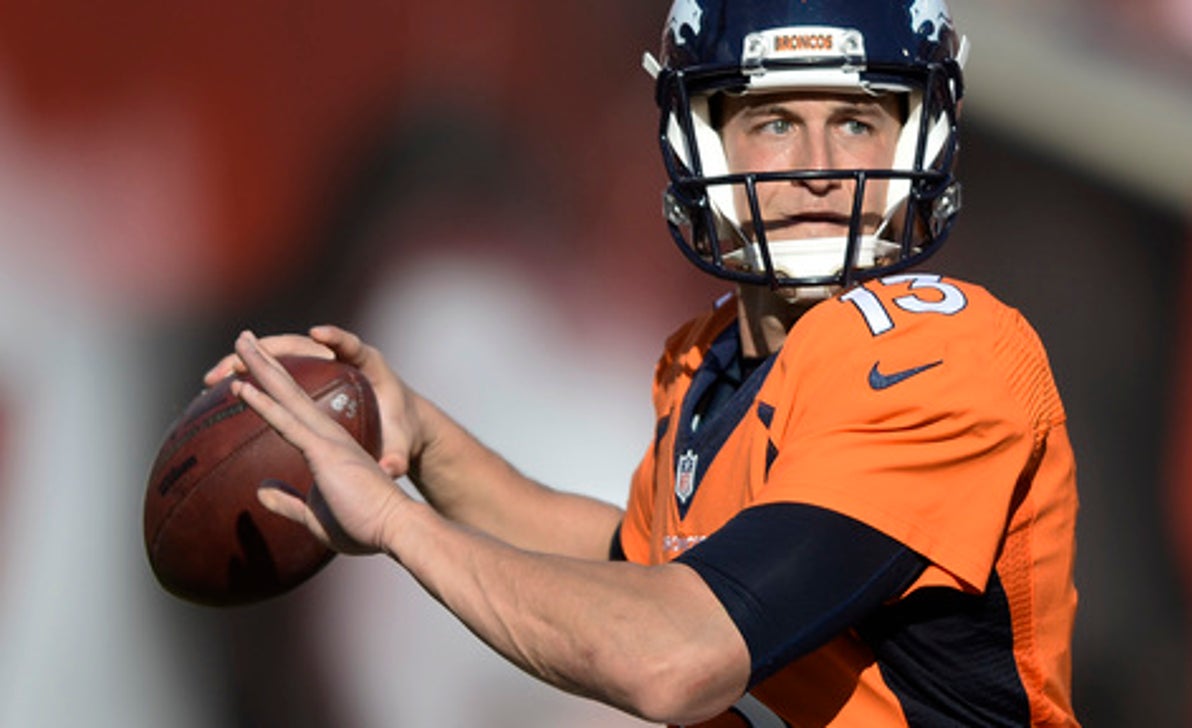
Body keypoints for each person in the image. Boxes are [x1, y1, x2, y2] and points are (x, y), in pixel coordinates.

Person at [206, 1, 1081, 725]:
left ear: (916, 143)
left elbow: (674, 655)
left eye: (855, 119)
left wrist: (400, 528)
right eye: (775, 120)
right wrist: (424, 441)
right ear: (703, 145)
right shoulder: (718, 360)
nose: (818, 167)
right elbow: (630, 565)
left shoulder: (945, 356)